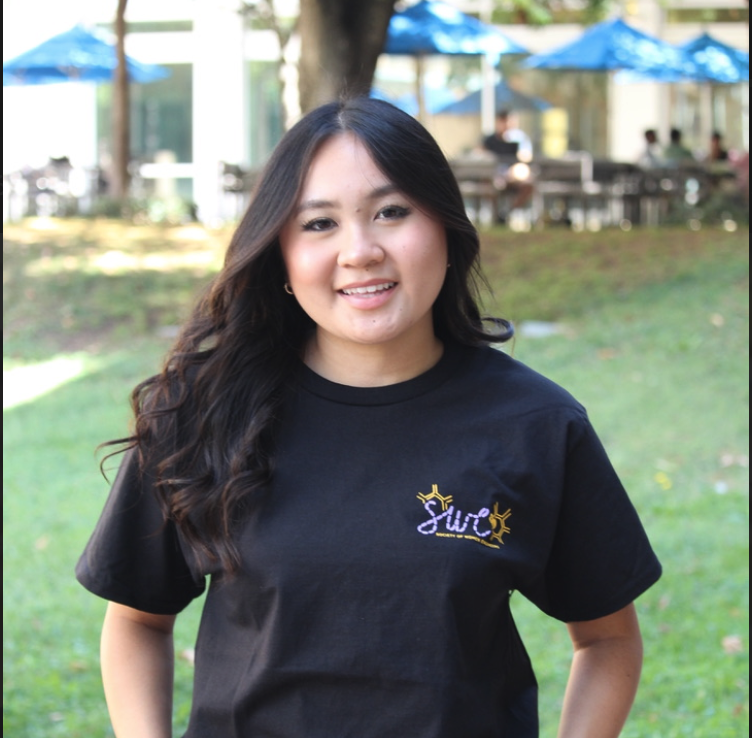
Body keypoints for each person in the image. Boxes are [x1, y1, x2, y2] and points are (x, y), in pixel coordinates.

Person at [76, 97, 662, 738]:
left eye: (391, 212)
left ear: (445, 226)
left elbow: (607, 638)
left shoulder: (536, 424)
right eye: (319, 223)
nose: (360, 251)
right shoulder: (205, 410)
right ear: (281, 253)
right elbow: (137, 619)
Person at [481, 108, 535, 219]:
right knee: (485, 182)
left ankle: (508, 212)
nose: (507, 124)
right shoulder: (490, 140)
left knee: (527, 182)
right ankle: (496, 214)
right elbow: (481, 154)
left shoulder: (520, 138)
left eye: (509, 121)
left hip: (516, 176)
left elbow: (526, 157)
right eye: (504, 121)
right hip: (495, 175)